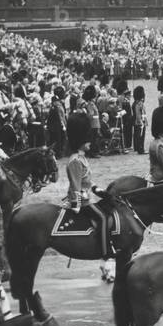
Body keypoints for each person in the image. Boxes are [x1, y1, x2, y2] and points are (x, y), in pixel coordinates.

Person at [64, 112, 112, 281]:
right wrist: (76, 205)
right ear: (80, 140)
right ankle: (105, 259)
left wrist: (99, 190)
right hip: (82, 203)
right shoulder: (75, 161)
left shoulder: (81, 158)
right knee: (104, 218)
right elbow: (76, 186)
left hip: (87, 197)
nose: (91, 141)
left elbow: (86, 181)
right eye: (87, 139)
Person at [132, 86, 147, 154]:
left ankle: (137, 147)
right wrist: (141, 122)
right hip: (140, 122)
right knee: (141, 136)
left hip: (139, 121)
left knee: (137, 135)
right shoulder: (139, 104)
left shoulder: (136, 102)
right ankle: (141, 149)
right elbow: (138, 114)